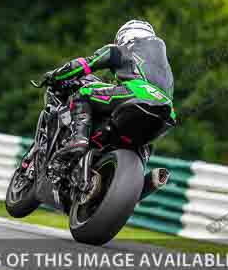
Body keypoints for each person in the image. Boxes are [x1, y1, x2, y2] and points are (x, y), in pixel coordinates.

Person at [43, 19, 176, 169]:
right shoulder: (165, 67)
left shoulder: (121, 49)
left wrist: (56, 75)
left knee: (84, 93)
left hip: (135, 93)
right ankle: (141, 170)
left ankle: (78, 140)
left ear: (124, 36)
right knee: (146, 143)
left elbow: (86, 65)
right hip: (167, 112)